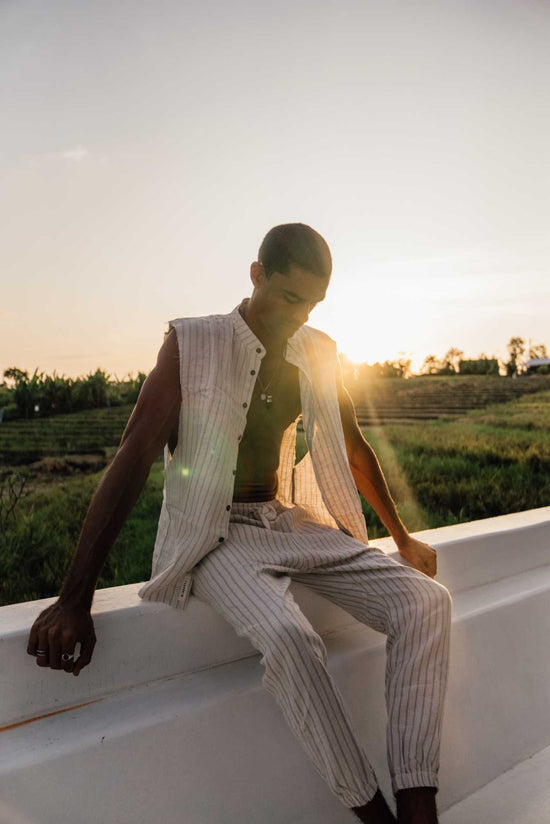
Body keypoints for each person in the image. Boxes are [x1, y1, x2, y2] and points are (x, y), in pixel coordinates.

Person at [27, 224, 451, 824]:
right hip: (214, 535)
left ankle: (417, 805)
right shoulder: (193, 344)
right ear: (256, 276)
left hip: (286, 520)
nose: (298, 315)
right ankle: (376, 815)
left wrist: (402, 537)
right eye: (289, 297)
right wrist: (74, 598)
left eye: (312, 304)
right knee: (291, 640)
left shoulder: (316, 350)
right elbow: (133, 455)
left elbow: (353, 446)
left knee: (425, 603)